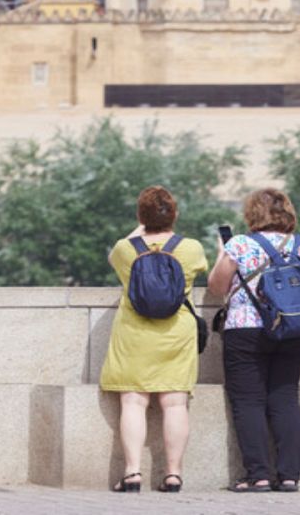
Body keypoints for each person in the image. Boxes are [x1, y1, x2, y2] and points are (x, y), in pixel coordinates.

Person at [206, 188, 300, 492]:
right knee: (285, 398)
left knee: (248, 401)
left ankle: (258, 475)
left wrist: (223, 251)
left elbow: (217, 286)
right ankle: (290, 475)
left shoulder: (241, 244)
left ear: (252, 213)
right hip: (293, 327)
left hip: (246, 328)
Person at [99, 185, 208, 493]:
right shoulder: (191, 248)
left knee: (132, 401)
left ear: (140, 216)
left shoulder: (125, 249)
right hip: (176, 332)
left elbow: (112, 257)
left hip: (134, 332)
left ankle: (132, 473)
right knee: (175, 404)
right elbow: (202, 271)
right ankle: (173, 474)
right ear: (174, 215)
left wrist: (142, 226)